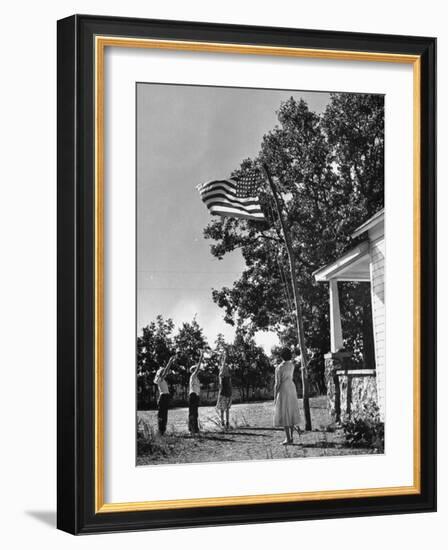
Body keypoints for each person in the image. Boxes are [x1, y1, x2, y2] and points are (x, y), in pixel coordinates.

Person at [273, 347, 301, 445]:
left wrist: (275, 396)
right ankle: (291, 437)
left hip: (284, 389)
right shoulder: (292, 365)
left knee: (284, 412)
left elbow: (277, 383)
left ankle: (288, 438)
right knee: (291, 411)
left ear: (281, 356)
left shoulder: (279, 367)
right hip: (291, 387)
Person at [154, 354, 176, 435]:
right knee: (162, 415)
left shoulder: (161, 380)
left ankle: (162, 431)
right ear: (161, 373)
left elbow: (166, 371)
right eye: (163, 372)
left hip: (165, 397)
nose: (165, 373)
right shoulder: (160, 379)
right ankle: (161, 431)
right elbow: (166, 370)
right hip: (163, 397)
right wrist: (170, 361)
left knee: (164, 415)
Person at [188, 350, 204, 434]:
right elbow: (198, 367)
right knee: (192, 413)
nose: (198, 370)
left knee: (195, 413)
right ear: (193, 370)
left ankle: (195, 428)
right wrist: (201, 357)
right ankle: (192, 429)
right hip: (193, 395)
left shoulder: (196, 378)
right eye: (196, 369)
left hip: (196, 396)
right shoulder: (193, 375)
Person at [216, 351, 232, 429]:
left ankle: (227, 423)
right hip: (223, 393)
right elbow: (222, 368)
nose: (225, 367)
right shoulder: (221, 375)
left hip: (228, 393)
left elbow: (230, 385)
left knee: (227, 409)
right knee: (222, 410)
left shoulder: (228, 375)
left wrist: (231, 394)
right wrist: (224, 358)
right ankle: (223, 423)